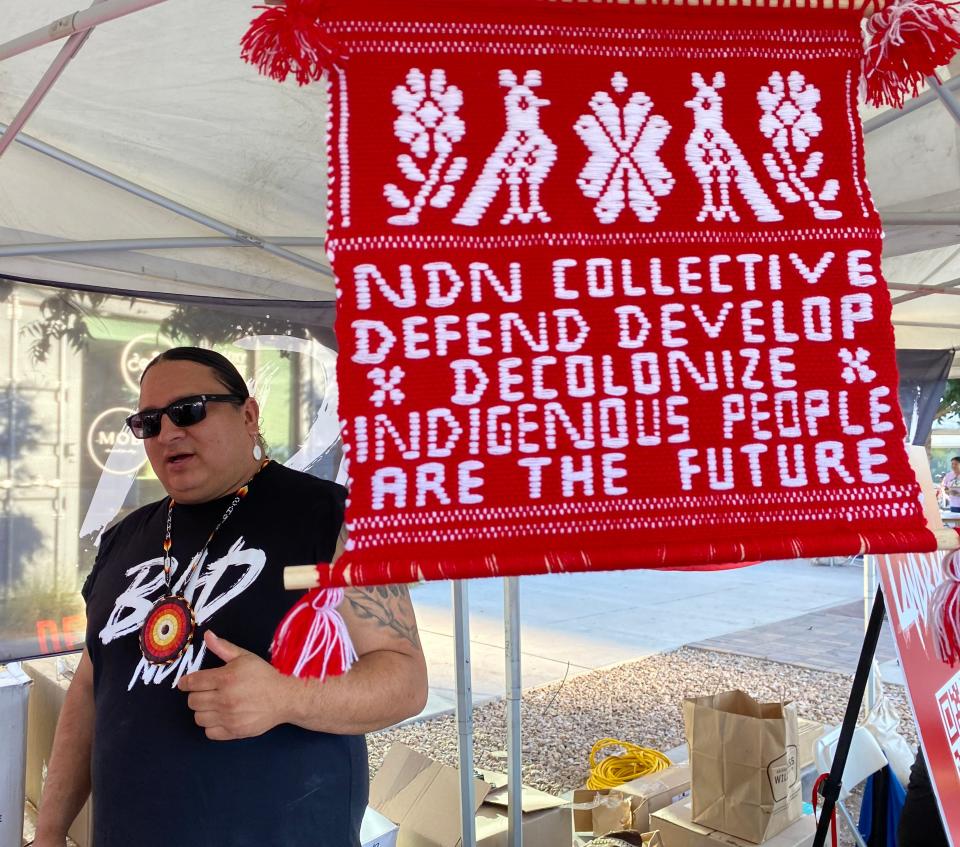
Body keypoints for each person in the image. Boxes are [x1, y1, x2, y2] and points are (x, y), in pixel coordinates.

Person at [32, 347, 428, 847]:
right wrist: (48, 833)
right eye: (148, 422)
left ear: (248, 415)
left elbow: (406, 679)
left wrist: (286, 698)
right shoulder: (124, 537)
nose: (168, 432)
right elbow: (92, 687)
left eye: (189, 410)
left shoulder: (329, 517)